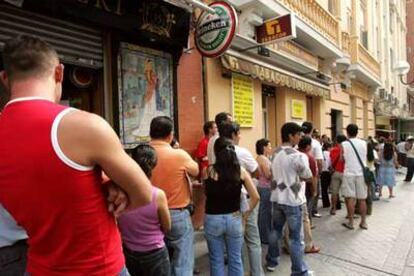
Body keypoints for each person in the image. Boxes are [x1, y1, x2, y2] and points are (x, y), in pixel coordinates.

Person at [0, 35, 152, 275]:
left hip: (39, 268)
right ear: (59, 73)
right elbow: (143, 194)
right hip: (99, 269)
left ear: (5, 79)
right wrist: (111, 187)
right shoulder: (84, 126)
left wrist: (101, 183)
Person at [149, 116, 199, 276]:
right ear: (170, 135)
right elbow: (196, 171)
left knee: (158, 260)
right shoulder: (179, 155)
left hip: (148, 214)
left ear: (150, 133)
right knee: (182, 261)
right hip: (176, 214)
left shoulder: (141, 154)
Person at [204, 137, 260, 276]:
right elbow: (256, 197)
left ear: (216, 153)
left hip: (212, 218)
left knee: (216, 259)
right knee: (235, 259)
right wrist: (244, 214)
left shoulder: (208, 171)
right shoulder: (240, 171)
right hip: (234, 218)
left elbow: (206, 192)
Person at [266, 122, 313, 275]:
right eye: (298, 135)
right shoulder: (298, 156)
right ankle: (299, 271)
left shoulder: (274, 153)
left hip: (276, 197)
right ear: (290, 136)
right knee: (295, 238)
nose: (300, 138)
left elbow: (271, 174)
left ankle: (272, 260)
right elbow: (308, 175)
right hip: (293, 200)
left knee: (276, 231)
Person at [118, 144, 171, 276]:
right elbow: (167, 226)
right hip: (155, 252)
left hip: (129, 251)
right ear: (153, 165)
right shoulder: (157, 195)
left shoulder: (120, 193)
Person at [218, 122, 263, 276]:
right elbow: (257, 172)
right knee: (252, 240)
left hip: (224, 202)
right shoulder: (242, 152)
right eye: (239, 133)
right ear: (233, 135)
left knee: (235, 244)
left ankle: (240, 272)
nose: (240, 136)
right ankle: (257, 273)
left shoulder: (216, 149)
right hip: (244, 198)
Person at [341, 124, 368, 230]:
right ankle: (363, 222)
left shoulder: (344, 144)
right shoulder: (364, 143)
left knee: (351, 198)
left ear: (347, 132)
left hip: (349, 173)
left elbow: (342, 160)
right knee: (362, 199)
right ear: (357, 132)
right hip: (361, 173)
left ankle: (351, 222)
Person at [297, 136, 320, 254]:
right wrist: (315, 190)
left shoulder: (293, 154)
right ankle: (308, 244)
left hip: (295, 190)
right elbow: (313, 177)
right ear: (308, 146)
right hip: (304, 189)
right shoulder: (309, 158)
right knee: (305, 217)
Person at [302, 121, 323, 218]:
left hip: (301, 173)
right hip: (313, 172)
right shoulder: (315, 143)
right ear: (311, 130)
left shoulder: (299, 140)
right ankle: (311, 213)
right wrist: (320, 172)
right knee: (313, 193)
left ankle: (306, 214)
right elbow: (319, 160)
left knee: (303, 193)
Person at [255, 138, 272, 244]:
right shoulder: (263, 159)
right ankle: (264, 236)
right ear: (264, 147)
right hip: (266, 188)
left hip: (262, 186)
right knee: (265, 213)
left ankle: (264, 235)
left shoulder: (260, 158)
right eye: (269, 146)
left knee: (264, 212)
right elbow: (268, 175)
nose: (271, 148)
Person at [329, 134, 347, 215]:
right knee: (347, 193)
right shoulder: (347, 150)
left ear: (336, 141)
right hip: (345, 173)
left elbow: (330, 161)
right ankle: (349, 212)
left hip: (335, 172)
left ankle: (333, 208)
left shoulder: (333, 150)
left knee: (334, 192)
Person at [320, 142, 332, 208]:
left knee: (324, 189)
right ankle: (337, 204)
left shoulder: (321, 153)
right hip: (329, 172)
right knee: (332, 188)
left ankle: (326, 203)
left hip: (323, 172)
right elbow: (331, 163)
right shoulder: (330, 153)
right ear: (328, 148)